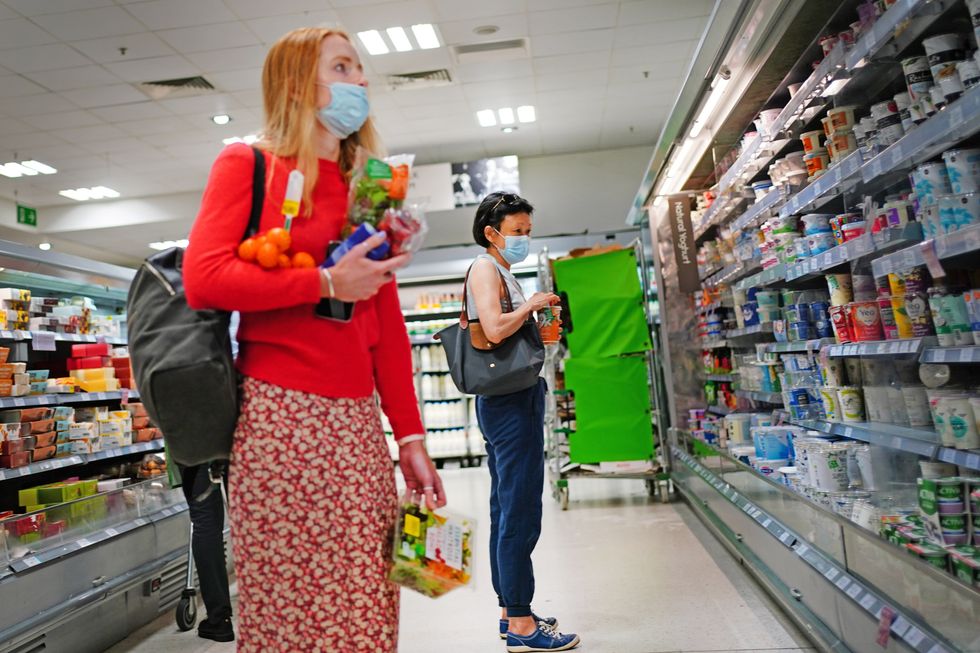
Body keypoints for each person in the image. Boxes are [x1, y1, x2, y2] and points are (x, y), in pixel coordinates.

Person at [182, 27, 445, 652]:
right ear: (299, 83)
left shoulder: (370, 182)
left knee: (368, 599)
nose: (360, 80)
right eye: (344, 66)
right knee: (289, 605)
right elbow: (204, 277)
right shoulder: (249, 165)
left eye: (360, 67)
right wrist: (324, 278)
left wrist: (408, 434)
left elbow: (385, 325)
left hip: (358, 426)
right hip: (281, 416)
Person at [467, 192, 581, 652]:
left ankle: (510, 609)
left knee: (506, 509)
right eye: (517, 232)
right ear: (492, 233)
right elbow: (494, 330)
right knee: (519, 512)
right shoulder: (484, 268)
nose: (524, 239)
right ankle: (520, 624)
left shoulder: (501, 270)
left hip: (513, 397)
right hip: (509, 403)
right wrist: (530, 307)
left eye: (528, 231)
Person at [178, 462, 233, 643]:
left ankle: (219, 619)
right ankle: (272, 606)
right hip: (243, 441)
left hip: (198, 447)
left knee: (206, 520)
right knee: (251, 518)